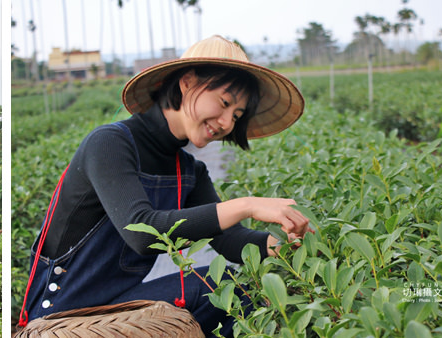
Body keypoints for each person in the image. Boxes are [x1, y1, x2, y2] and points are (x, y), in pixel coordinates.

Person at [17, 35, 312, 337]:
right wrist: (247, 204)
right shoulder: (109, 144)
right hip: (63, 318)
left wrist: (284, 246)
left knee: (232, 289)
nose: (226, 123)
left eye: (236, 116)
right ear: (187, 82)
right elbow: (140, 232)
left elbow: (228, 240)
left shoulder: (188, 170)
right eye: (224, 103)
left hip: (122, 308)